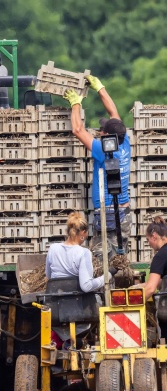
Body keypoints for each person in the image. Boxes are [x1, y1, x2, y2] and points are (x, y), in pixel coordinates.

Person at [63, 75, 132, 260]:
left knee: (103, 260)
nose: (99, 132)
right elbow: (114, 115)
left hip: (107, 214)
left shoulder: (104, 151)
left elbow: (78, 130)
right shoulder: (125, 142)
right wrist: (100, 88)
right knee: (120, 257)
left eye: (102, 130)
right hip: (124, 213)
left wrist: (75, 103)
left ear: (108, 136)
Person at [45, 211, 115, 293]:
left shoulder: (53, 248)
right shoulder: (83, 253)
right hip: (76, 301)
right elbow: (87, 286)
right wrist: (109, 274)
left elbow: (49, 276)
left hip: (56, 299)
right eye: (86, 233)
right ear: (82, 232)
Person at [133, 217, 167, 300]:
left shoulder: (160, 256)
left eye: (148, 239)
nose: (149, 243)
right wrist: (141, 285)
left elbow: (150, 289)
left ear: (154, 236)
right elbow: (162, 282)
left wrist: (132, 305)